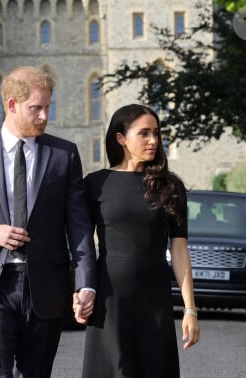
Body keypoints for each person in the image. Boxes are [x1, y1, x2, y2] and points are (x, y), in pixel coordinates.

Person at [0, 66, 97, 377]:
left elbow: (79, 225)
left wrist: (86, 284)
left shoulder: (63, 154)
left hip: (47, 285)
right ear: (12, 105)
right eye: (35, 108)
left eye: (47, 107)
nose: (44, 116)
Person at [80, 104, 200, 378]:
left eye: (156, 133)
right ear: (120, 138)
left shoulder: (171, 187)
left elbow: (180, 250)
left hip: (154, 299)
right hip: (109, 301)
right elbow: (82, 245)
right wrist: (80, 290)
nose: (153, 141)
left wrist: (190, 309)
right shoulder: (95, 184)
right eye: (144, 133)